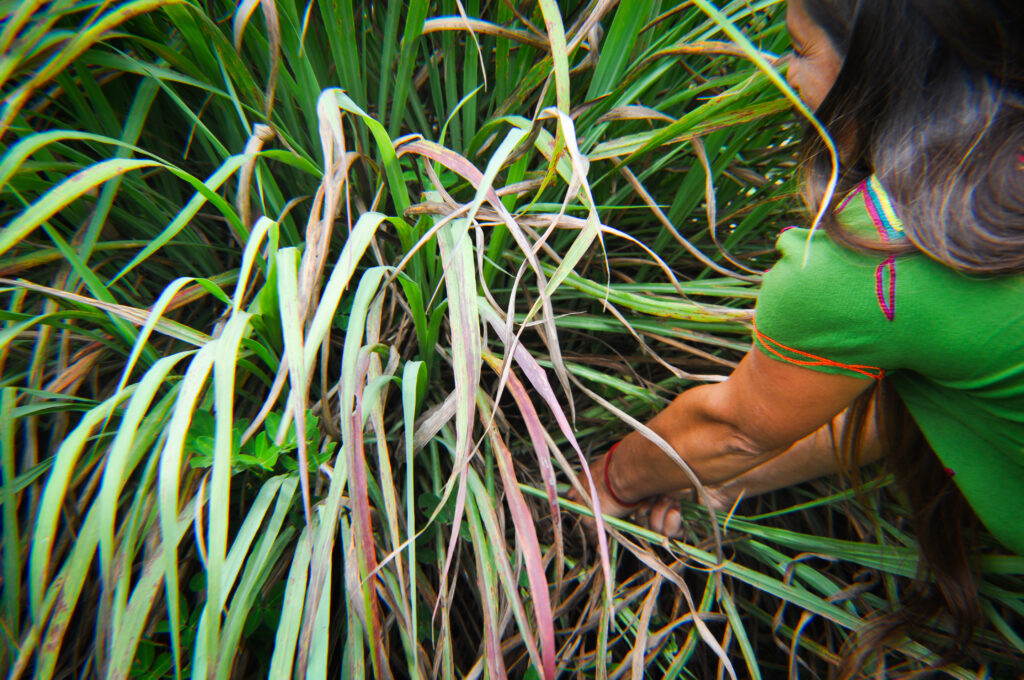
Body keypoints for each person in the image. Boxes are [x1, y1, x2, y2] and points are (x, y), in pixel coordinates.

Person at [579, 0, 1024, 673]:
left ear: (878, 68)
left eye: (798, 46)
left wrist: (607, 486)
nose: (786, 70)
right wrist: (724, 484)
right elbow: (918, 390)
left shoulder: (878, 264)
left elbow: (732, 430)